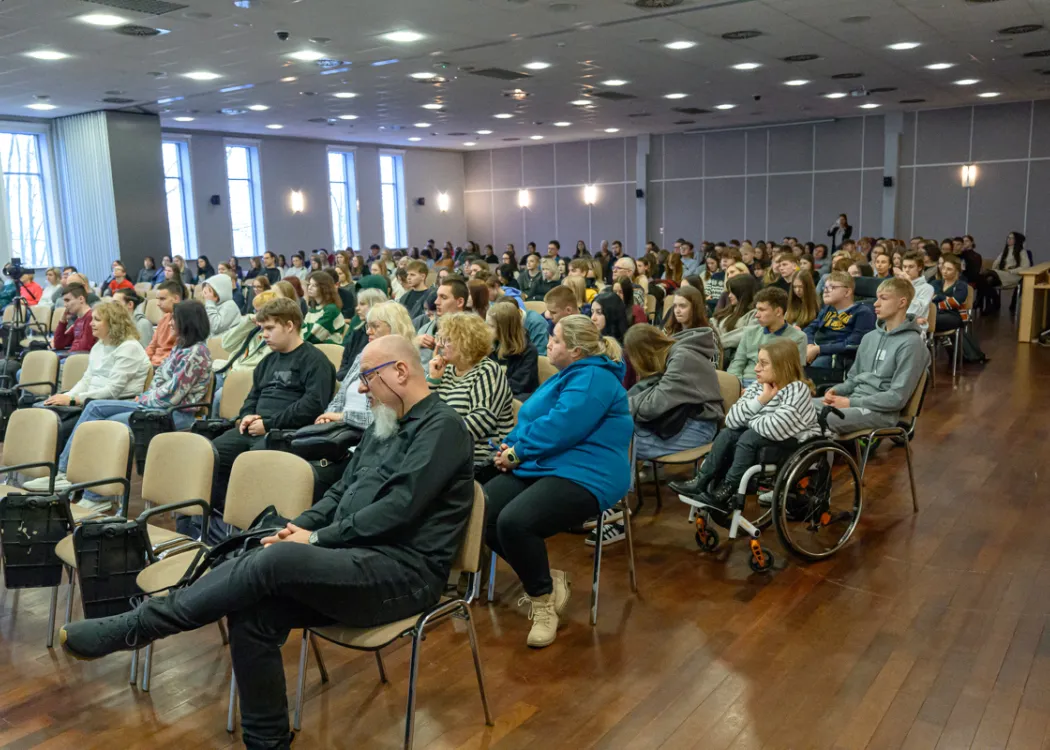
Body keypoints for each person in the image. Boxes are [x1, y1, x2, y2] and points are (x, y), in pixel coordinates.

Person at [59, 335, 475, 750]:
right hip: (354, 558)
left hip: (404, 574)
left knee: (275, 562)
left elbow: (399, 509)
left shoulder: (443, 429)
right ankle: (267, 742)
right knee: (253, 611)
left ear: (400, 371)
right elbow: (338, 494)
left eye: (367, 377)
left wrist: (315, 539)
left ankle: (140, 625)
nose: (362, 388)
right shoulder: (387, 422)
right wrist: (298, 527)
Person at [485, 314, 631, 647]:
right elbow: (535, 419)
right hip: (548, 463)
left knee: (515, 522)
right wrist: (508, 445)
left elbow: (564, 425)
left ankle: (542, 604)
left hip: (590, 472)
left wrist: (519, 452)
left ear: (576, 350)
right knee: (485, 512)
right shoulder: (567, 374)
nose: (548, 342)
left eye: (556, 338)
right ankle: (547, 580)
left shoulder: (594, 376)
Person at [26, 301, 212, 509]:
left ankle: (88, 490)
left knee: (104, 421)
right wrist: (145, 398)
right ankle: (71, 477)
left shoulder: (197, 353)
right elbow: (159, 380)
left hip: (173, 413)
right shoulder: (180, 347)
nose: (170, 324)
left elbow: (172, 395)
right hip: (153, 405)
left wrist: (142, 399)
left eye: (174, 320)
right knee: (95, 411)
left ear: (187, 322)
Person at [208, 298, 335, 520]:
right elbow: (253, 396)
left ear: (289, 325)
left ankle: (251, 523)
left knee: (251, 462)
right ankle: (220, 519)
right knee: (212, 453)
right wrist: (246, 416)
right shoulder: (268, 361)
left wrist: (269, 424)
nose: (264, 335)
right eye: (262, 329)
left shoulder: (316, 361)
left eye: (269, 328)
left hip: (287, 434)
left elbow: (312, 405)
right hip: (255, 429)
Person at [671, 338, 819, 513]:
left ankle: (727, 490)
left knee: (748, 435)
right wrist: (762, 400)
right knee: (728, 433)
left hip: (795, 443)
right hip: (763, 438)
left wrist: (749, 419)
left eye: (763, 364)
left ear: (782, 366)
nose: (756, 368)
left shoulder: (797, 390)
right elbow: (732, 420)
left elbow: (776, 428)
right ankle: (701, 481)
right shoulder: (760, 386)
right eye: (758, 362)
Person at [34, 301, 151, 460]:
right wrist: (68, 396)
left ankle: (64, 471)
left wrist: (73, 400)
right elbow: (87, 379)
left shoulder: (129, 347)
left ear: (113, 323)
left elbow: (112, 391)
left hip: (113, 402)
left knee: (61, 428)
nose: (91, 323)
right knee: (43, 410)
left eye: (97, 319)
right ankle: (43, 467)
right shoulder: (100, 345)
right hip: (88, 400)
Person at [819, 278, 928, 433]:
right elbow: (852, 379)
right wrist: (837, 390)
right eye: (877, 298)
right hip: (855, 402)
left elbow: (897, 398)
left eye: (883, 298)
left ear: (902, 303)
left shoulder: (912, 344)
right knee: (796, 408)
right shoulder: (869, 337)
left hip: (882, 413)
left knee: (823, 416)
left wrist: (850, 402)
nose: (875, 304)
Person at [625, 323, 723, 484]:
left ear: (643, 353)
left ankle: (619, 501)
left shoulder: (682, 358)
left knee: (618, 438)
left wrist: (622, 407)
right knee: (620, 429)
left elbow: (652, 406)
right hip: (681, 422)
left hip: (699, 428)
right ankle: (619, 498)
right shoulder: (672, 354)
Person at [427, 312, 514, 484]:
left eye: (446, 340)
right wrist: (433, 380)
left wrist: (432, 440)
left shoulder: (488, 371)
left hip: (478, 461)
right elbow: (423, 411)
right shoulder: (446, 368)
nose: (439, 344)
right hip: (442, 452)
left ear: (466, 343)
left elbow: (480, 421)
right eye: (440, 338)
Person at [729, 287, 808, 384]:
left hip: (773, 386)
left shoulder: (798, 338)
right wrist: (737, 386)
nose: (757, 315)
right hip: (742, 382)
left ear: (778, 311)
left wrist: (756, 389)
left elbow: (792, 375)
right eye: (757, 310)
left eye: (762, 310)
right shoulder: (749, 332)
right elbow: (736, 365)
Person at [803, 271, 875, 370]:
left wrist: (818, 349)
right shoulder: (828, 309)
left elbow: (852, 343)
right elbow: (810, 329)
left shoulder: (862, 312)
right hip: (816, 349)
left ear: (847, 292)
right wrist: (810, 345)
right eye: (825, 287)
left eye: (832, 287)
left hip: (837, 357)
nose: (826, 291)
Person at [488, 299, 539, 399]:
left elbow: (518, 385)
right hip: (495, 393)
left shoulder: (529, 351)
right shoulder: (492, 345)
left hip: (517, 398)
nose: (486, 329)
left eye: (491, 326)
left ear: (504, 329)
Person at [416, 278, 468, 368]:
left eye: (443, 297)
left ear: (460, 302)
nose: (436, 302)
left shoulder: (471, 333)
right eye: (437, 297)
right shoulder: (425, 329)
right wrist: (414, 342)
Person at [338, 288, 386, 381]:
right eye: (357, 304)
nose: (357, 308)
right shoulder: (357, 333)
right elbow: (345, 363)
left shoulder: (384, 336)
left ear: (375, 305)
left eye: (362, 304)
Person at [712, 274, 760, 352]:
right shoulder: (728, 310)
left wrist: (717, 342)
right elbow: (713, 323)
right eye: (729, 292)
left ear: (743, 293)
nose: (729, 296)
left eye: (732, 292)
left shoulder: (755, 314)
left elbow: (745, 335)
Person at [301, 271, 347, 345]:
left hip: (330, 351)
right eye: (309, 284)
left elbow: (313, 337)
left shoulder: (331, 310)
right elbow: (303, 331)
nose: (309, 287)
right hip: (314, 348)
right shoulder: (313, 310)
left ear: (324, 288)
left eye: (314, 285)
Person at [144, 280, 184, 367]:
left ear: (176, 299)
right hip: (152, 365)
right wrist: (145, 362)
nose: (158, 304)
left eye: (162, 299)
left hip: (167, 367)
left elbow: (176, 353)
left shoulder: (185, 321)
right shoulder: (164, 319)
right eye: (158, 299)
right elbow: (152, 345)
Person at [895, 250, 934, 331]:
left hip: (915, 330)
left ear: (919, 268)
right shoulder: (898, 286)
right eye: (904, 267)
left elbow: (915, 312)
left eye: (911, 267)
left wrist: (909, 285)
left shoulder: (927, 288)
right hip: (896, 324)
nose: (906, 270)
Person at [52, 284, 97, 354]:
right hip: (72, 356)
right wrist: (62, 321)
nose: (65, 305)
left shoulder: (91, 318)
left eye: (67, 300)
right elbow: (59, 344)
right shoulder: (78, 321)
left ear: (81, 299)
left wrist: (68, 354)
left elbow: (84, 348)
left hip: (79, 359)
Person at [931, 253, 968, 333]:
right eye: (943, 268)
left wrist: (938, 297)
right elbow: (928, 299)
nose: (944, 271)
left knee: (930, 319)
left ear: (957, 271)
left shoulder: (961, 285)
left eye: (949, 269)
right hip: (936, 313)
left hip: (954, 315)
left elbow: (955, 302)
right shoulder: (935, 283)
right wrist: (946, 299)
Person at [201, 273, 241, 337]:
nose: (205, 295)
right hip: (214, 343)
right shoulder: (214, 305)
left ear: (219, 292)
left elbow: (215, 327)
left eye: (209, 291)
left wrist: (209, 301)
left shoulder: (230, 305)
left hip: (224, 344)